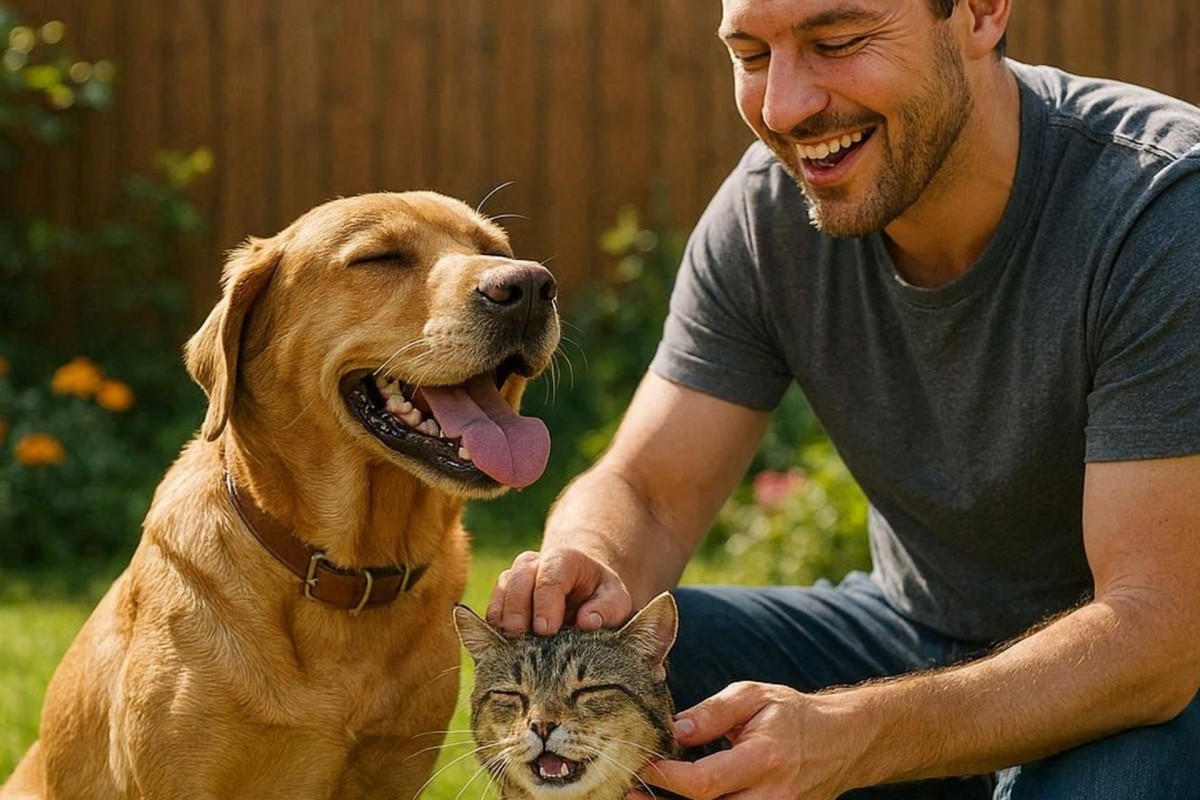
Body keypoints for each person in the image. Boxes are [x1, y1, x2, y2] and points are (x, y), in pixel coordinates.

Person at [488, 0, 1200, 796]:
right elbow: (647, 494)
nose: (784, 107)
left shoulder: (1162, 211)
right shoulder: (767, 214)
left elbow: (1157, 636)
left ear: (981, 13)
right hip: (917, 634)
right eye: (752, 55)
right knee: (607, 685)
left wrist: (861, 737)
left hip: (1164, 674)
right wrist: (588, 561)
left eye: (838, 41)